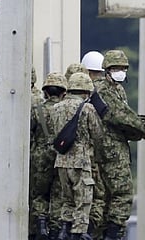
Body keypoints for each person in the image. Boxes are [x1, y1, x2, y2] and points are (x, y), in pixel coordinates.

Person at [93, 50, 145, 240]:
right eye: (116, 68)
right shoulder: (102, 88)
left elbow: (124, 117)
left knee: (108, 197)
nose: (121, 71)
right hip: (109, 150)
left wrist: (137, 127)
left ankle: (108, 233)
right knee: (122, 193)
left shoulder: (117, 89)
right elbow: (119, 116)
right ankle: (112, 233)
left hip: (115, 147)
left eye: (123, 68)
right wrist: (142, 128)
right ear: (107, 69)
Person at [51, 72, 104, 240]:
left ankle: (64, 230)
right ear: (86, 91)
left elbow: (53, 134)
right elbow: (98, 134)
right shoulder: (87, 108)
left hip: (61, 161)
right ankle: (78, 233)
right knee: (83, 199)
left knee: (67, 199)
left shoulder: (56, 108)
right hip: (81, 162)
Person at [28, 72, 67, 240]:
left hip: (40, 157)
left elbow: (29, 133)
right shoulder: (66, 110)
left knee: (39, 194)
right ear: (63, 93)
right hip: (60, 157)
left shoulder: (37, 110)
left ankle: (41, 224)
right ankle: (55, 229)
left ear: (45, 92)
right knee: (58, 194)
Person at [80, 51, 108, 239]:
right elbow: (99, 133)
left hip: (70, 159)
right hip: (91, 158)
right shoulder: (95, 101)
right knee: (96, 198)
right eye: (94, 74)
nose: (95, 79)